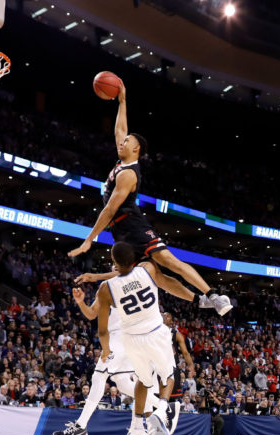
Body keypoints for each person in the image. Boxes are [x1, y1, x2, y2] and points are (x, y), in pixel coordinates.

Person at [67, 81, 232, 316]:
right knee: (157, 275)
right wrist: (122, 100)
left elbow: (110, 209)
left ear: (136, 150)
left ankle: (213, 294)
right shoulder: (123, 161)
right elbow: (119, 130)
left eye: (127, 142)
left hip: (131, 224)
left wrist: (89, 239)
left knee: (166, 259)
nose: (121, 142)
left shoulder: (127, 175)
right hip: (120, 231)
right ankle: (199, 300)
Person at [53, 279, 190, 435]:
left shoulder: (116, 284)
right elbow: (91, 313)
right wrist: (81, 302)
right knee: (123, 384)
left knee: (99, 377)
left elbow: (100, 325)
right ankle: (162, 409)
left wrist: (106, 348)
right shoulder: (118, 284)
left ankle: (80, 427)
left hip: (120, 339)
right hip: (131, 340)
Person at [94, 242, 182, 435]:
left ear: (113, 262)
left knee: (142, 380)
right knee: (167, 374)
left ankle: (136, 428)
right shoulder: (147, 269)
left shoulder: (106, 289)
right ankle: (162, 410)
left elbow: (102, 330)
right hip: (155, 333)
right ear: (134, 260)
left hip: (130, 338)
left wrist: (106, 350)